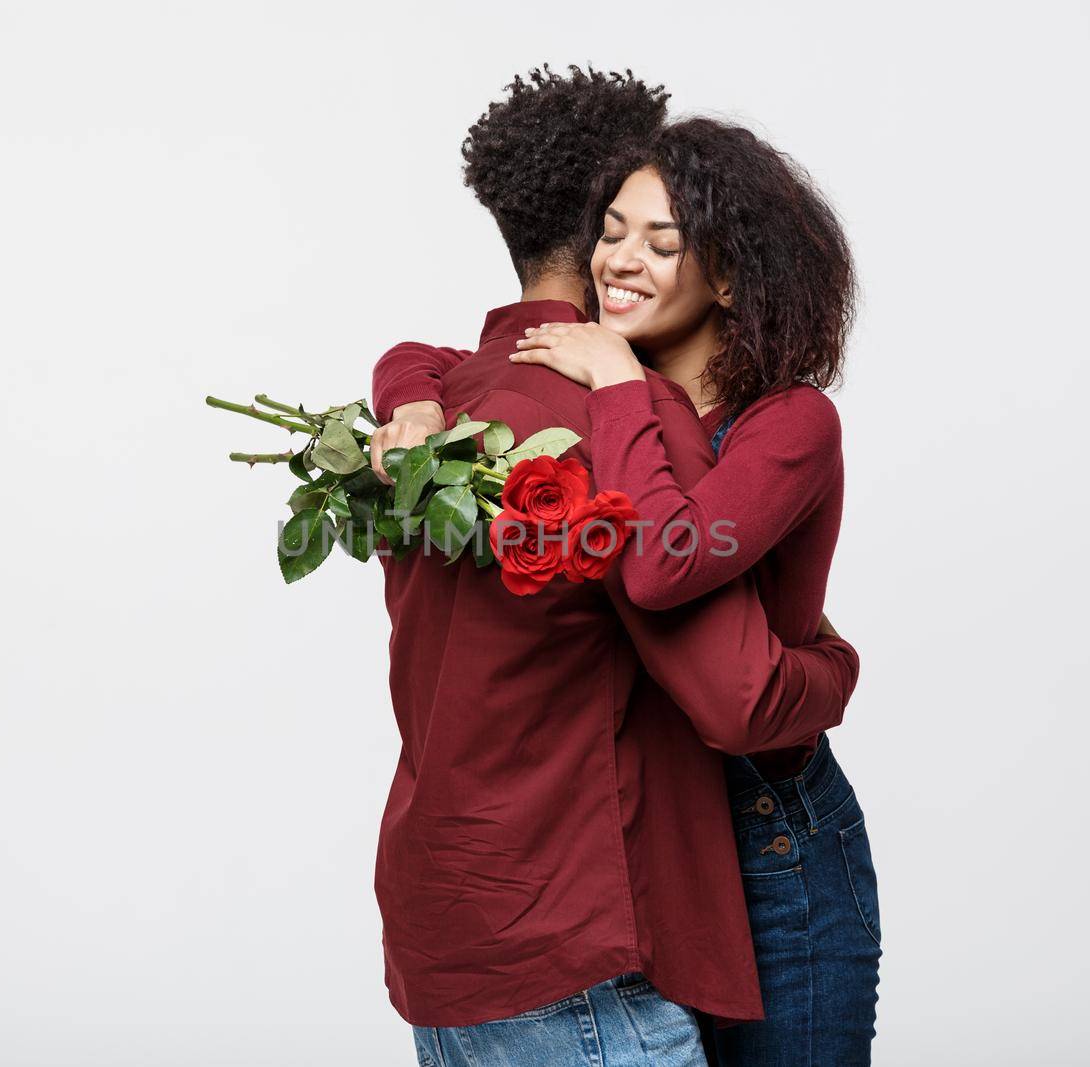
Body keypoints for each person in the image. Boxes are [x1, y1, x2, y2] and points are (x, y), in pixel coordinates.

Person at [365, 68, 861, 1067]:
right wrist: (834, 666)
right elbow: (739, 689)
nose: (627, 256)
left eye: (662, 237)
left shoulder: (453, 406)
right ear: (589, 225)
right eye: (617, 229)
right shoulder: (608, 408)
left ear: (724, 266)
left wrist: (412, 387)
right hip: (580, 918)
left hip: (467, 911)